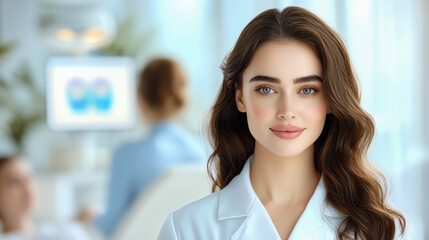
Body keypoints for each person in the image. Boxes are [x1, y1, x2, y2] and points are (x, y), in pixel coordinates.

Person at [158, 6, 407, 240]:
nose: (287, 111)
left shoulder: (378, 227)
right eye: (266, 89)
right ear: (240, 97)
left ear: (331, 98)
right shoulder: (186, 229)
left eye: (307, 90)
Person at [79, 58, 206, 238]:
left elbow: (112, 227)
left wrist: (92, 216)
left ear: (141, 97)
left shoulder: (126, 155)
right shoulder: (203, 152)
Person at [0, 155, 91, 240]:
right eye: (14, 182)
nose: (28, 188)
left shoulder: (59, 230)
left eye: (30, 177)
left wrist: (74, 224)